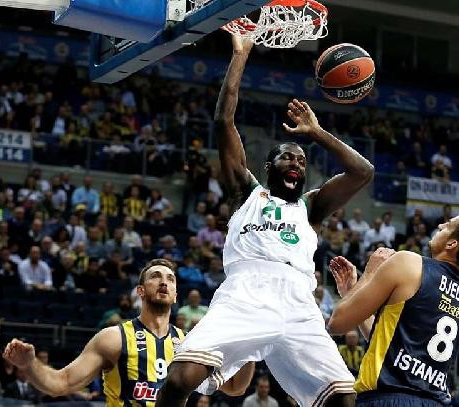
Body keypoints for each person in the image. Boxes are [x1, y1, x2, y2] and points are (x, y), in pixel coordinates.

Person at [156, 33, 374, 407]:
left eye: (302, 160)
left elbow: (363, 172)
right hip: (245, 293)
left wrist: (317, 132)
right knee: (180, 379)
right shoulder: (247, 192)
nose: (296, 163)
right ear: (269, 167)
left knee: (344, 400)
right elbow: (224, 121)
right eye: (287, 157)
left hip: (299, 301)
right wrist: (241, 53)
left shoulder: (311, 206)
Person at [2, 259, 255, 405]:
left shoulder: (191, 342)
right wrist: (30, 365)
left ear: (176, 294)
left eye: (170, 278)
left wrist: (252, 343)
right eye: (156, 276)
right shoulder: (113, 338)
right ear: (140, 291)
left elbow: (235, 387)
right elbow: (61, 383)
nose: (164, 281)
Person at [328, 210, 459, 406]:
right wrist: (352, 293)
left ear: (452, 244)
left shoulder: (409, 263)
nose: (440, 225)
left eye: (448, 225)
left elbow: (337, 323)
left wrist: (369, 273)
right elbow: (388, 343)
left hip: (388, 398)